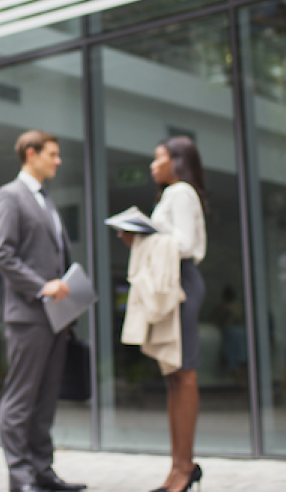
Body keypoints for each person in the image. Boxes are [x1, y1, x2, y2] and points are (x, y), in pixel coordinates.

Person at [0, 130, 86, 492]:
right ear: (31, 153)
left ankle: (42, 471)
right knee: (21, 400)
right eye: (53, 154)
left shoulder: (47, 201)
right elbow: (1, 253)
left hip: (55, 317)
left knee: (45, 400)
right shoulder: (10, 196)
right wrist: (41, 286)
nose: (58, 161)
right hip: (28, 315)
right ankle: (21, 478)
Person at [120, 136, 207, 492]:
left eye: (159, 159)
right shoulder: (171, 194)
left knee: (184, 373)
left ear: (178, 161)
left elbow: (184, 244)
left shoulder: (181, 192)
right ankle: (178, 469)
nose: (153, 166)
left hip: (181, 282)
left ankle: (184, 469)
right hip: (173, 281)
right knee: (174, 374)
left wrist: (147, 235)